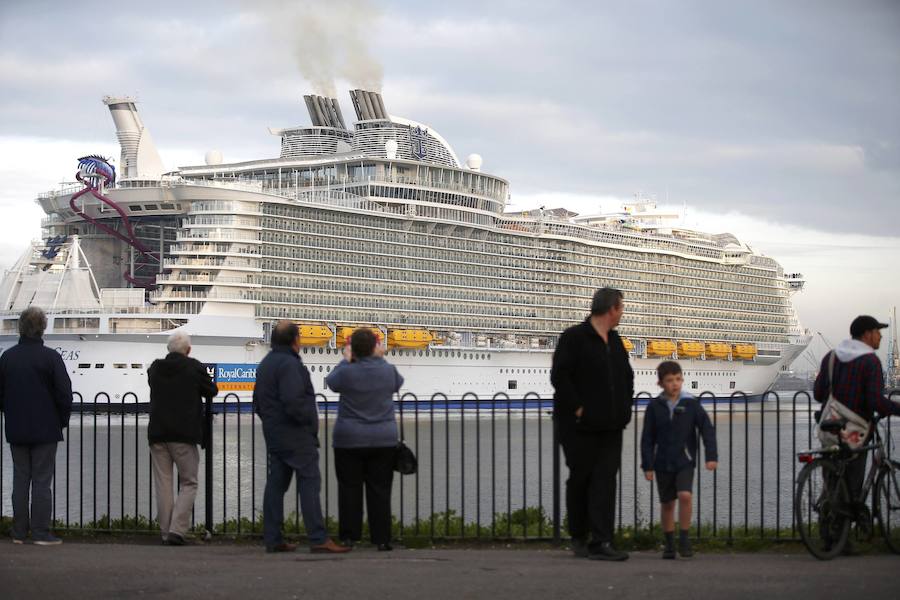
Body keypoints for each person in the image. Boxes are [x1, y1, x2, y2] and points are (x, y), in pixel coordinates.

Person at [550, 287, 634, 561]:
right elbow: (560, 376)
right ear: (611, 309)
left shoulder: (615, 340)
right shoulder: (574, 337)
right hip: (577, 425)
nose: (622, 314)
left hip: (611, 425)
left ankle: (602, 541)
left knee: (605, 481)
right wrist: (579, 408)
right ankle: (579, 536)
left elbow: (626, 377)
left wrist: (624, 411)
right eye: (621, 308)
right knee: (581, 478)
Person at [254, 320, 349, 554]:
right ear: (296, 340)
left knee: (276, 485)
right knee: (309, 483)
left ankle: (273, 538)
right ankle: (317, 538)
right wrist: (307, 425)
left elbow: (257, 402)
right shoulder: (289, 364)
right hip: (296, 435)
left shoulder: (266, 363)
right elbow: (293, 400)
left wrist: (272, 423)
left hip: (275, 433)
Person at [325, 328, 403, 551]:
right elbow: (398, 383)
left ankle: (350, 537)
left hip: (349, 439)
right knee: (380, 490)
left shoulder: (346, 371)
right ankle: (382, 539)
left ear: (353, 349)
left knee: (349, 489)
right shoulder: (388, 370)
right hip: (383, 439)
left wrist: (346, 360)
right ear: (375, 347)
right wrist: (380, 358)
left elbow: (331, 382)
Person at [0, 307, 72, 545]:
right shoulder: (51, 358)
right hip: (46, 429)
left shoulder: (7, 358)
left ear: (20, 327)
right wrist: (61, 421)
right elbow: (64, 394)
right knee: (42, 481)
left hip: (16, 428)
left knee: (20, 479)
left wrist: (10, 413)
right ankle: (41, 532)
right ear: (42, 328)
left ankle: (18, 532)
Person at [814, 316, 900, 508]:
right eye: (878, 332)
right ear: (867, 334)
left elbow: (818, 394)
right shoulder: (870, 362)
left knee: (832, 479)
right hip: (856, 431)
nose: (880, 337)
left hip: (829, 428)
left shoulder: (831, 357)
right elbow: (875, 400)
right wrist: (895, 409)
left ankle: (829, 524)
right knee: (853, 481)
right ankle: (849, 520)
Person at [147, 330, 218, 546]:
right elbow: (212, 390)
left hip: (157, 434)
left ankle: (166, 532)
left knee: (163, 484)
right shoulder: (194, 366)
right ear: (188, 350)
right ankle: (177, 530)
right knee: (189, 482)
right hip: (183, 434)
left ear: (169, 349)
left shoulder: (155, 368)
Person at [640, 361, 717, 559]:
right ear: (660, 384)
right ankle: (669, 543)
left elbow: (706, 429)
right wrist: (647, 465)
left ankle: (684, 538)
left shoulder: (691, 404)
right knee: (667, 503)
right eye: (669, 380)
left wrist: (711, 456)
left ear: (682, 379)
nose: (674, 384)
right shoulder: (654, 407)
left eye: (678, 379)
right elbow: (647, 438)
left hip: (685, 460)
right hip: (662, 461)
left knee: (685, 495)